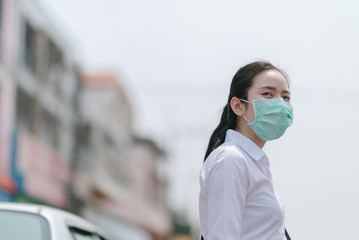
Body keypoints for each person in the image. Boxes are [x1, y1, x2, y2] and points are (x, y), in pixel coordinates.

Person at [199, 60, 293, 240]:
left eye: (285, 97)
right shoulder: (231, 160)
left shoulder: (253, 163)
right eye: (267, 94)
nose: (280, 104)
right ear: (238, 106)